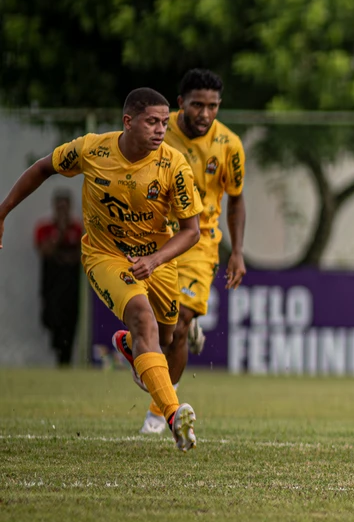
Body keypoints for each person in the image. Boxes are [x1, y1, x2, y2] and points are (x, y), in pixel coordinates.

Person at [0, 88, 203, 451]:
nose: (160, 130)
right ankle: (174, 417)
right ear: (128, 121)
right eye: (152, 122)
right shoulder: (92, 149)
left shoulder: (174, 164)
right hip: (106, 256)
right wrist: (3, 211)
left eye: (164, 122)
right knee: (143, 319)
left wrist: (156, 260)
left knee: (169, 341)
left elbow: (191, 232)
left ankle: (129, 348)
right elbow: (43, 167)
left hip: (156, 260)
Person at [112, 69, 247, 435]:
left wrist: (237, 252)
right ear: (181, 102)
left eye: (213, 106)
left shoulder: (230, 146)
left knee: (181, 321)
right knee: (161, 333)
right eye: (198, 105)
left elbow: (236, 201)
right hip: (155, 237)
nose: (205, 114)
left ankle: (159, 413)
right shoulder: (156, 128)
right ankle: (146, 345)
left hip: (200, 241)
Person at [34, 189, 83, 366]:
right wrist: (60, 233)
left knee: (70, 322)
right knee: (51, 319)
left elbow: (82, 253)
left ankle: (66, 360)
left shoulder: (77, 228)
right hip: (51, 284)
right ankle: (57, 351)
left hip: (71, 285)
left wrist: (68, 257)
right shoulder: (45, 227)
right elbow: (44, 251)